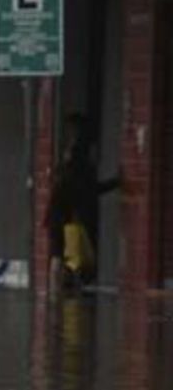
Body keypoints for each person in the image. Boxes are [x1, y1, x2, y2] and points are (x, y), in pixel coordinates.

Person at [46, 114, 120, 291]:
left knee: (60, 254)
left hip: (58, 215)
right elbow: (90, 190)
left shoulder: (66, 164)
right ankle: (57, 287)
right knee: (64, 254)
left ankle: (56, 288)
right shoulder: (80, 169)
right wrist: (116, 182)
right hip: (65, 217)